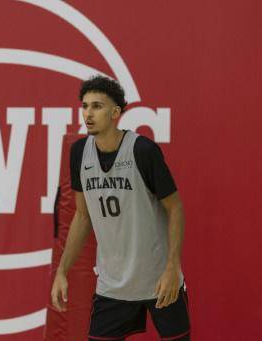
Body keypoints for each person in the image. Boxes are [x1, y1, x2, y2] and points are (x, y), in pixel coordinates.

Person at [50, 75, 190, 340]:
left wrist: (172, 268)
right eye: (85, 106)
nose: (88, 113)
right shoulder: (79, 152)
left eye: (97, 106)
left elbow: (175, 208)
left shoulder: (143, 150)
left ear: (115, 113)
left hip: (159, 279)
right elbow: (82, 216)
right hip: (112, 285)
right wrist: (62, 271)